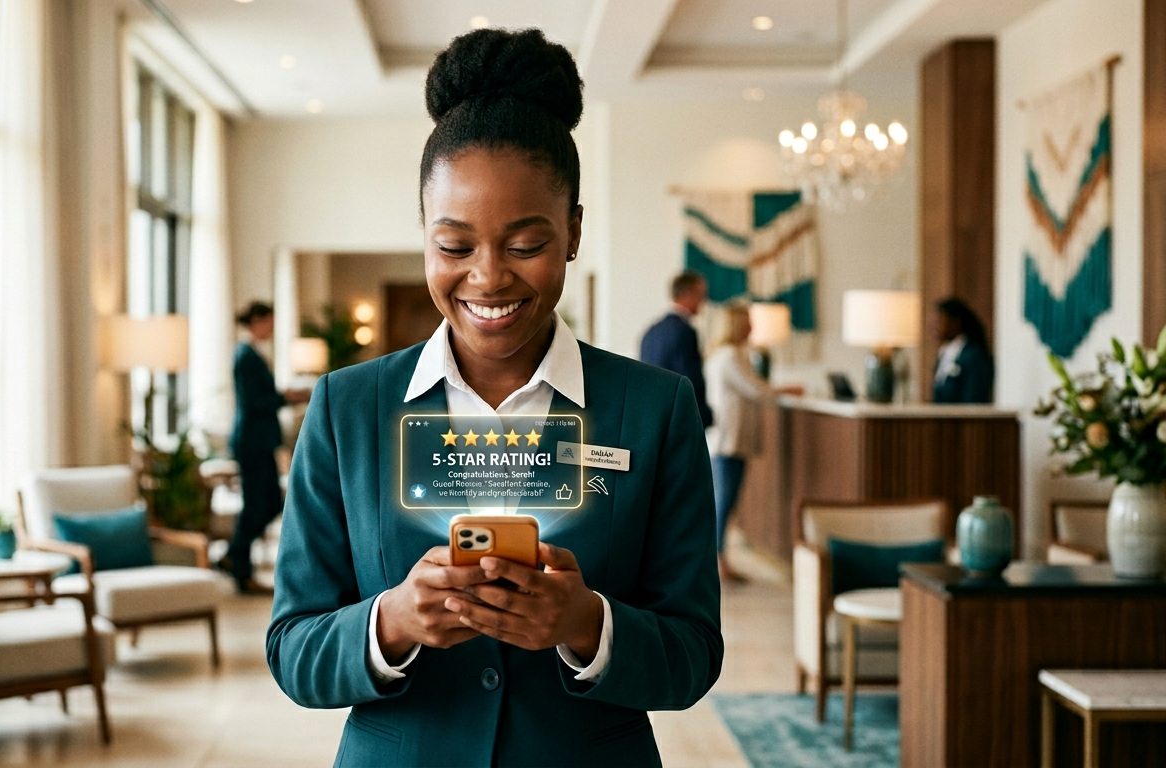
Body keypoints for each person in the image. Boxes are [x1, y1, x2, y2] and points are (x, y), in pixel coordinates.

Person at [267, 29, 722, 767]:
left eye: (524, 244)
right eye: (454, 247)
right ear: (424, 238)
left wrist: (587, 624)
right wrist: (391, 623)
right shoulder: (349, 409)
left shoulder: (655, 407)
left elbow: (694, 653)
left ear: (573, 232)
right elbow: (293, 649)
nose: (487, 278)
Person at [705, 303, 802, 583]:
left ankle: (718, 556)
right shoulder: (729, 355)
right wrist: (786, 389)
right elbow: (754, 389)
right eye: (747, 322)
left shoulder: (725, 354)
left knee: (724, 500)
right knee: (724, 501)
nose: (752, 327)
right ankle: (718, 559)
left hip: (728, 439)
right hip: (729, 440)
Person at [227, 302, 308, 593]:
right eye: (270, 321)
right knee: (258, 505)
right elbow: (253, 403)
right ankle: (237, 561)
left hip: (258, 440)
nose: (272, 327)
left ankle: (234, 555)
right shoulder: (246, 356)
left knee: (269, 502)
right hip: (252, 441)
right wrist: (286, 397)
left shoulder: (251, 353)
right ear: (258, 321)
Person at [639, 272, 714, 429]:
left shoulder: (651, 331)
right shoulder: (684, 331)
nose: (704, 300)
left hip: (653, 417)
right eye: (701, 294)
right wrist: (703, 416)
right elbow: (689, 379)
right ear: (688, 294)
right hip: (680, 418)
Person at [932, 297, 994, 404]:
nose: (935, 326)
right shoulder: (944, 353)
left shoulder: (973, 356)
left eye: (940, 320)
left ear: (955, 322)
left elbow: (974, 398)